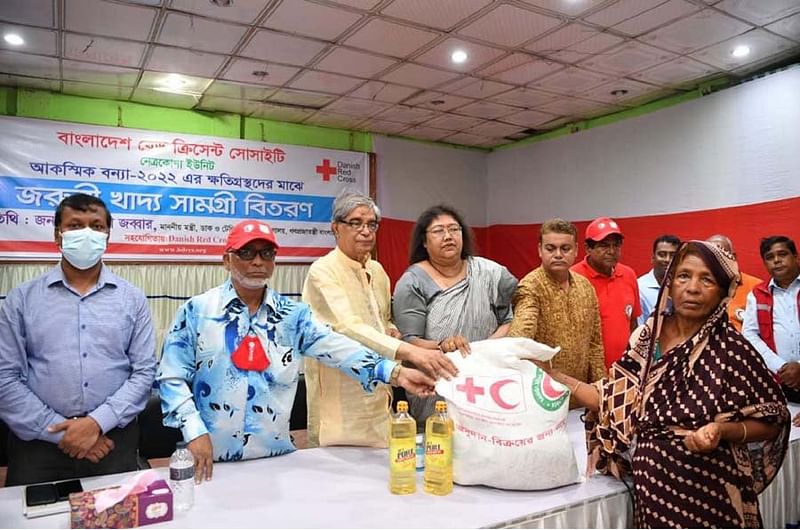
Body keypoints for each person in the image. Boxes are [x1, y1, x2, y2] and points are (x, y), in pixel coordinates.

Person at [157, 220, 438, 482]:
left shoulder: (293, 317)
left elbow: (338, 348)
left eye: (266, 253)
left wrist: (395, 373)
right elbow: (171, 377)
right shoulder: (197, 311)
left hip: (275, 459)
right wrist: (194, 431)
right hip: (211, 459)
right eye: (246, 253)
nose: (257, 261)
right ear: (226, 260)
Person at [542, 241, 789, 528]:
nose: (693, 288)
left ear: (724, 291)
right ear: (669, 283)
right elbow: (610, 398)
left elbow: (772, 418)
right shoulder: (646, 340)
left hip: (711, 497)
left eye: (706, 279)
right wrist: (553, 375)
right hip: (654, 495)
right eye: (683, 276)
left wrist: (721, 430)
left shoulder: (732, 349)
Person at [0, 193, 156, 486]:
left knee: (116, 519)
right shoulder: (22, 300)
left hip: (111, 443)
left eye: (96, 226)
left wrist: (97, 423)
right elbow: (5, 377)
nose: (87, 233)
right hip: (38, 447)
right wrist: (64, 433)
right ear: (58, 236)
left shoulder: (132, 299)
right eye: (75, 225)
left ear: (107, 237)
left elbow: (144, 373)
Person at [302, 191, 455, 448]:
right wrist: (412, 352)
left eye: (371, 224)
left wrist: (391, 330)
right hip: (340, 393)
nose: (366, 231)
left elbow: (382, 318)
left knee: (383, 468)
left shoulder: (377, 270)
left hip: (381, 385)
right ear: (336, 228)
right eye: (356, 223)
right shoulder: (323, 271)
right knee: (338, 472)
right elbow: (348, 327)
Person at [393, 204, 517, 425]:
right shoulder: (413, 281)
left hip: (488, 379)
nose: (448, 236)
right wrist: (443, 346)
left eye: (454, 229)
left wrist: (480, 351)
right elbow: (408, 343)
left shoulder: (489, 272)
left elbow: (510, 320)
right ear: (424, 241)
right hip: (439, 386)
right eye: (439, 231)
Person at [508, 218, 605, 388]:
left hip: (581, 397)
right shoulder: (531, 286)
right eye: (550, 248)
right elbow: (519, 339)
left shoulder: (585, 287)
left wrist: (600, 392)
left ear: (576, 250)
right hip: (542, 396)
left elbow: (595, 344)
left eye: (565, 248)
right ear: (540, 250)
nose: (558, 254)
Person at [572, 217, 641, 368]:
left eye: (616, 246)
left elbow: (633, 323)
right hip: (586, 374)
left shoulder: (628, 274)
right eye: (604, 246)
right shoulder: (573, 278)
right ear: (588, 248)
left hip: (623, 371)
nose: (611, 251)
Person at [742, 236, 800, 406]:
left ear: (796, 257)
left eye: (782, 254)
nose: (776, 260)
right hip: (780, 381)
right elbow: (750, 334)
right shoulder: (757, 294)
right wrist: (781, 367)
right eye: (769, 257)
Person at [707, 234, 763, 332]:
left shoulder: (757, 287)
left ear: (734, 256)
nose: (717, 260)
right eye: (711, 256)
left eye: (722, 254)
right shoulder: (699, 288)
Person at [637, 235, 680, 325]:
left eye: (672, 255)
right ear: (653, 258)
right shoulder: (640, 288)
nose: (667, 260)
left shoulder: (685, 287)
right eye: (662, 255)